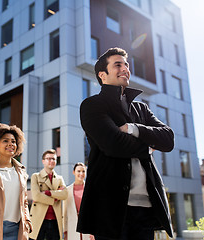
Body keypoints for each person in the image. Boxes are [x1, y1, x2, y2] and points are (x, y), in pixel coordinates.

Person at [77, 47, 175, 240]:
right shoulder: (92, 105)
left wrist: (133, 128)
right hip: (110, 209)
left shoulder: (141, 109)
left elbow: (168, 139)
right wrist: (148, 146)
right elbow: (113, 144)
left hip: (146, 209)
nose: (125, 68)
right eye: (118, 64)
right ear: (102, 75)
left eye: (126, 64)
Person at [29, 149, 68, 240]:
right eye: (49, 159)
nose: (52, 161)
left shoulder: (59, 178)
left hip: (55, 220)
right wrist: (55, 198)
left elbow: (65, 194)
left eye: (54, 159)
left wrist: (48, 193)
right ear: (43, 161)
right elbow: (36, 196)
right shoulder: (36, 176)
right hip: (39, 219)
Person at [63, 163, 93, 240]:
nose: (81, 174)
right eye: (78, 171)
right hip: (72, 228)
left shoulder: (90, 189)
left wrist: (94, 231)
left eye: (83, 171)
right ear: (74, 172)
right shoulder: (67, 190)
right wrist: (65, 231)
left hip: (88, 228)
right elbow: (65, 212)